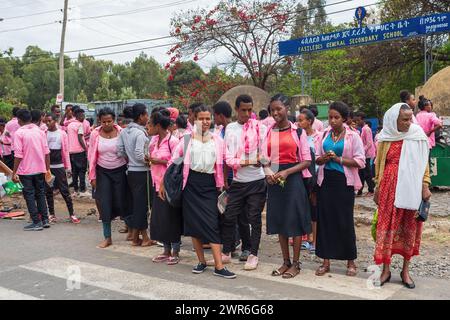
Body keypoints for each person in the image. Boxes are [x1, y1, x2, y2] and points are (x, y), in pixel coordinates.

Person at [165, 104, 236, 279]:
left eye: (207, 118)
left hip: (210, 185)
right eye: (201, 118)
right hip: (190, 185)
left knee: (212, 224)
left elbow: (228, 159)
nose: (205, 122)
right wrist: (162, 184)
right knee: (193, 226)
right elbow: (173, 161)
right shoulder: (187, 139)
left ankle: (219, 266)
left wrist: (250, 160)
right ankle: (201, 261)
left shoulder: (217, 140)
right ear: (194, 120)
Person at [373, 103, 431, 289]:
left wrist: (425, 185)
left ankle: (405, 271)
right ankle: (386, 270)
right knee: (388, 226)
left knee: (409, 226)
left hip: (412, 187)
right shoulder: (385, 137)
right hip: (389, 187)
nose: (409, 122)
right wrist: (377, 187)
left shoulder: (417, 135)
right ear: (393, 120)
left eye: (410, 118)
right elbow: (379, 164)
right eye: (404, 119)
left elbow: (424, 163)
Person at [262, 94, 312, 279]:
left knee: (294, 220)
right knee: (280, 220)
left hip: (293, 179)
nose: (275, 113)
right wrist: (268, 174)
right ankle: (285, 262)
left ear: (287, 109)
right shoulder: (268, 131)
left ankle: (296, 264)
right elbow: (263, 157)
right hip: (274, 179)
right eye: (272, 110)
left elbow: (306, 161)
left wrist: (287, 172)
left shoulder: (298, 132)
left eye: (278, 109)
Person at [315, 102, 365, 277]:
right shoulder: (323, 135)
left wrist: (338, 159)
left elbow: (360, 161)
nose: (332, 121)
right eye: (330, 117)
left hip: (344, 183)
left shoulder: (353, 136)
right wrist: (323, 158)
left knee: (344, 220)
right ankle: (325, 260)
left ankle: (350, 261)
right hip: (325, 181)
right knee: (325, 220)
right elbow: (317, 160)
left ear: (344, 119)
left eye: (336, 117)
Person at [223, 94, 267, 271]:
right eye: (243, 110)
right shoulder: (230, 129)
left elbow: (264, 155)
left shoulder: (260, 128)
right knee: (229, 216)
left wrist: (260, 160)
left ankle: (253, 254)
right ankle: (226, 252)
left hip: (257, 180)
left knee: (254, 219)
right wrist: (247, 161)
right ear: (236, 110)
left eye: (250, 110)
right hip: (238, 181)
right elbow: (228, 158)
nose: (247, 113)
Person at [213, 101, 251, 261]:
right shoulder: (223, 130)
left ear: (220, 115)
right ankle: (229, 246)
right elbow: (223, 156)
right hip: (228, 177)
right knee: (228, 214)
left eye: (214, 115)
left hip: (240, 176)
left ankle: (246, 247)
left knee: (242, 215)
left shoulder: (242, 129)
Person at [88, 108, 130, 248]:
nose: (107, 124)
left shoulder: (121, 132)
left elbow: (128, 152)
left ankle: (132, 231)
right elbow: (91, 156)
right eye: (104, 121)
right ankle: (107, 237)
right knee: (104, 203)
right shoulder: (95, 134)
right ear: (100, 121)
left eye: (109, 121)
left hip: (120, 171)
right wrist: (92, 176)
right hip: (102, 172)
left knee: (122, 201)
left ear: (114, 120)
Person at [147, 108, 182, 265]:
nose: (148, 127)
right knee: (161, 219)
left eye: (150, 124)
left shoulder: (173, 142)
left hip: (169, 186)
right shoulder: (154, 141)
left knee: (172, 218)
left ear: (158, 126)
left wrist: (158, 161)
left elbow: (176, 163)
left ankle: (175, 250)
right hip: (156, 183)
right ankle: (166, 250)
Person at [117, 103, 154, 247]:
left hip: (130, 171)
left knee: (136, 204)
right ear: (141, 117)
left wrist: (129, 159)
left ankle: (136, 236)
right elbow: (140, 154)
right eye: (146, 115)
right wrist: (150, 162)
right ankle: (142, 238)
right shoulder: (140, 133)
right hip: (141, 172)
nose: (147, 118)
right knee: (141, 206)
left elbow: (119, 150)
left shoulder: (125, 131)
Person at [12, 109, 51, 231]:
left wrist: (14, 172)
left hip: (26, 170)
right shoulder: (40, 131)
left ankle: (36, 221)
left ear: (19, 120)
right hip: (40, 168)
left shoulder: (19, 133)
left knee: (29, 195)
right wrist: (47, 168)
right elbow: (46, 152)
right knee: (40, 193)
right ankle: (45, 219)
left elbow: (18, 155)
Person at [44, 113, 79, 224]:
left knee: (64, 191)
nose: (47, 123)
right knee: (49, 191)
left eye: (50, 121)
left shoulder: (62, 133)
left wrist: (68, 168)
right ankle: (52, 214)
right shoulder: (44, 133)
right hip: (48, 168)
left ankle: (72, 214)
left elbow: (65, 152)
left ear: (56, 121)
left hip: (59, 167)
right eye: (46, 121)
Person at [297, 109, 321, 254]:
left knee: (314, 209)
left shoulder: (319, 137)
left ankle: (315, 240)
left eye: (301, 120)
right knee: (303, 208)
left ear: (310, 121)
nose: (299, 123)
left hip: (315, 176)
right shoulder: (298, 135)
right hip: (301, 176)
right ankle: (307, 238)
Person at [67, 108, 88, 196]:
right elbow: (80, 138)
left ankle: (75, 189)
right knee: (82, 171)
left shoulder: (69, 125)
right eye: (83, 115)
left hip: (71, 151)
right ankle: (82, 189)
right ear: (78, 116)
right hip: (80, 151)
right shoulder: (79, 125)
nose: (84, 117)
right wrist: (86, 148)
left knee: (74, 172)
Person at [354, 112, 376, 197]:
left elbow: (369, 143)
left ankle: (371, 189)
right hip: (364, 154)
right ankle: (360, 190)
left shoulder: (366, 129)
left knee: (367, 173)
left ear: (362, 119)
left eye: (358, 120)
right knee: (361, 173)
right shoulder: (363, 129)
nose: (357, 122)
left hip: (367, 154)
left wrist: (362, 151)